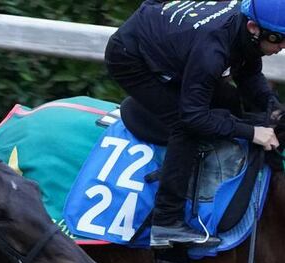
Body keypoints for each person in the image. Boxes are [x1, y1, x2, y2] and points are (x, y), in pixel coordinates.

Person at [105, 0, 284, 249]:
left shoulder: (245, 26)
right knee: (184, 126)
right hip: (129, 58)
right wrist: (252, 132)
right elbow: (193, 117)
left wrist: (272, 106)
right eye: (278, 39)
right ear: (253, 27)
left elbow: (249, 72)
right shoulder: (212, 51)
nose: (282, 47)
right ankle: (166, 221)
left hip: (175, 41)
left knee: (230, 100)